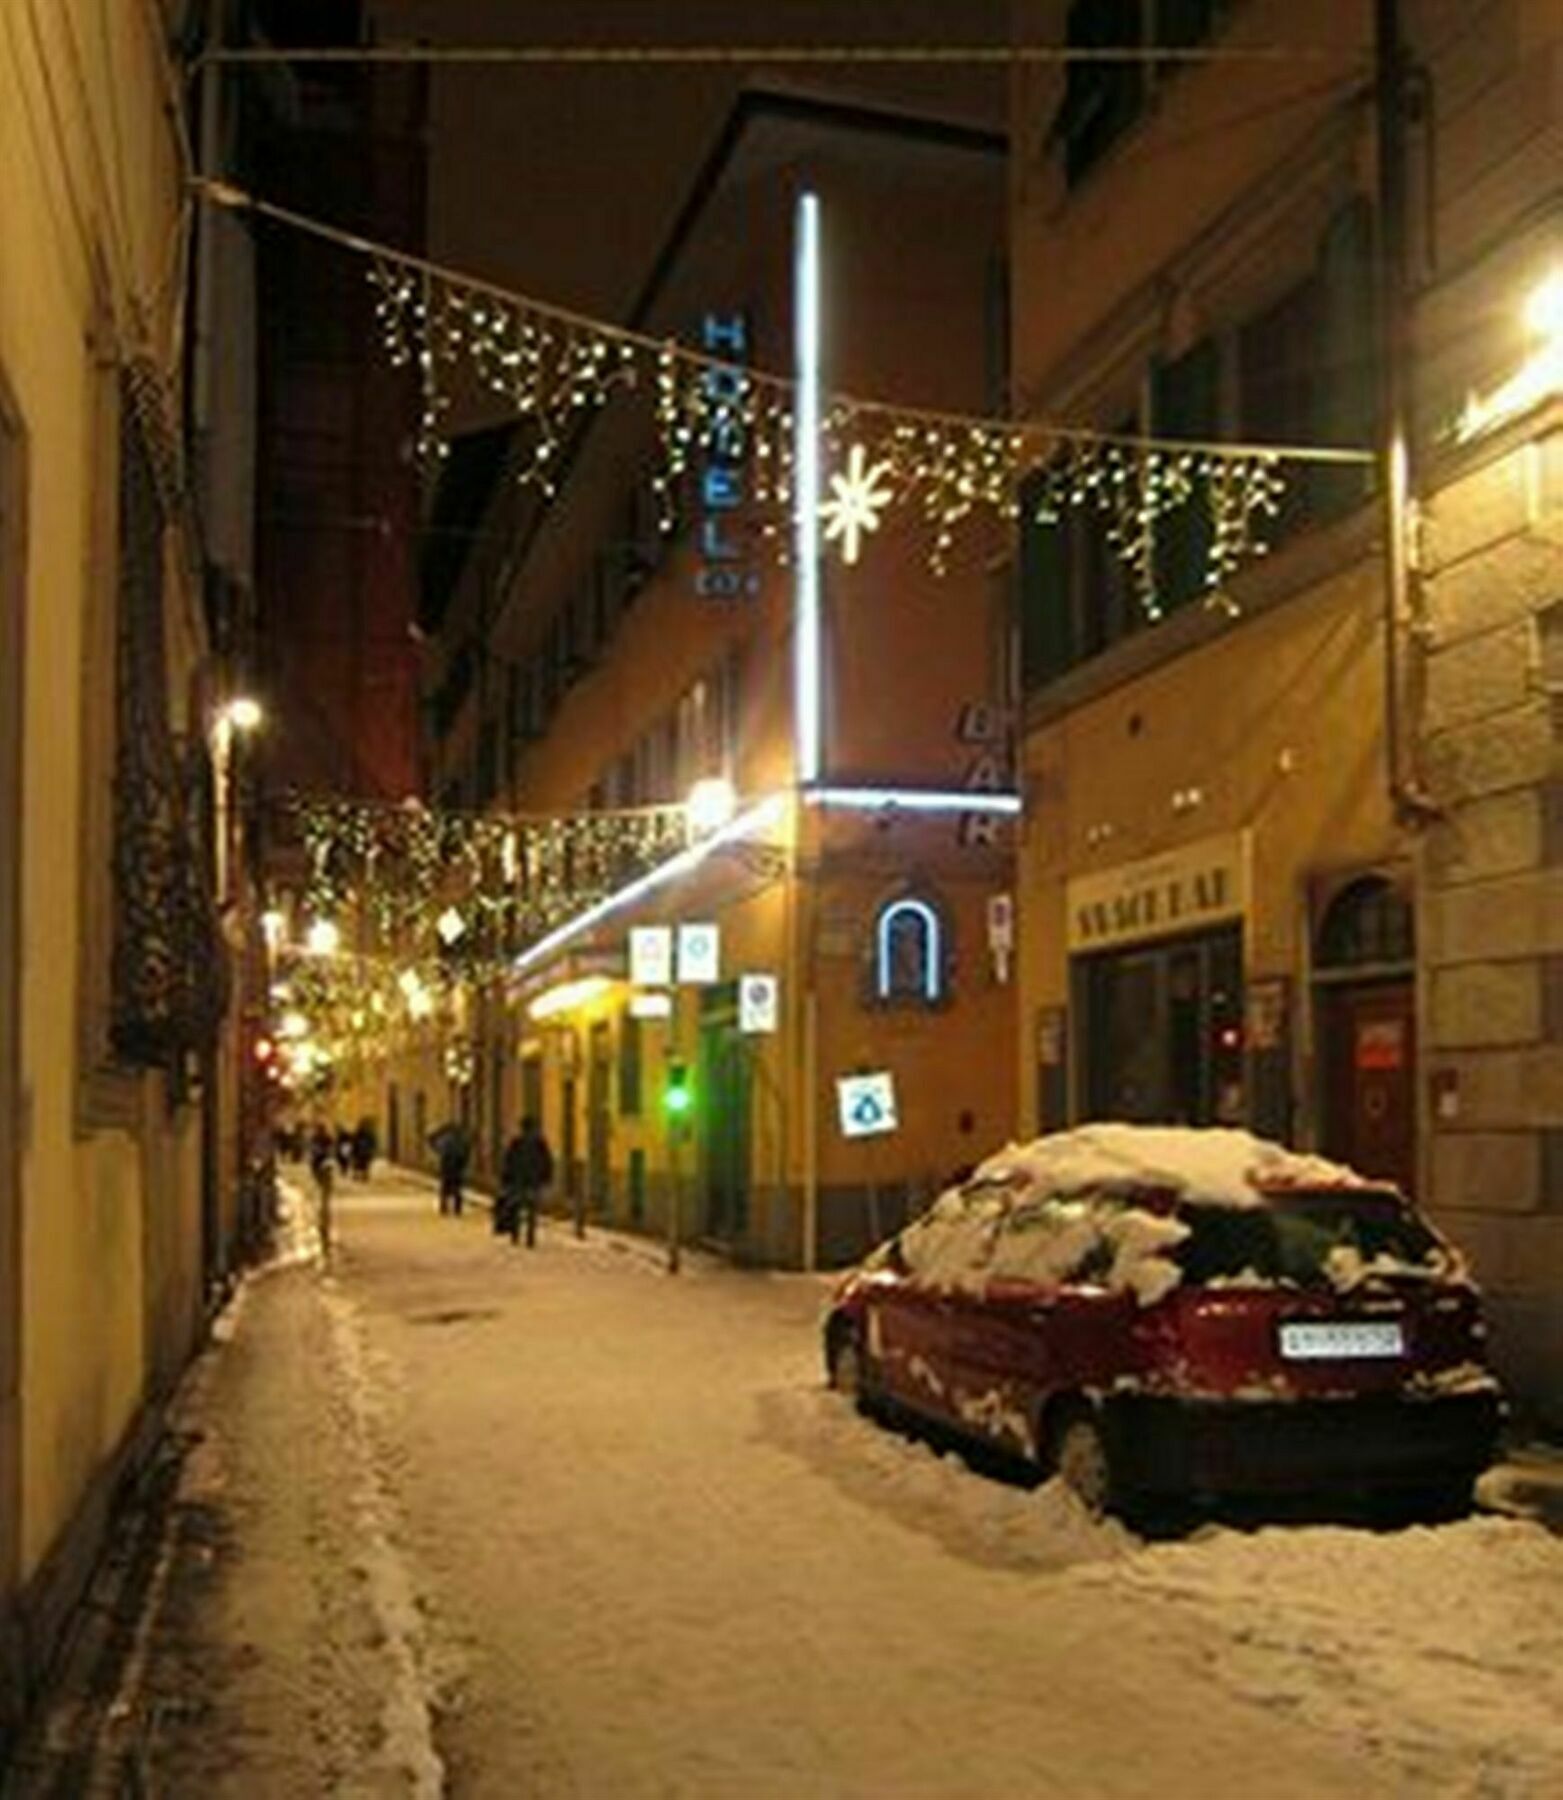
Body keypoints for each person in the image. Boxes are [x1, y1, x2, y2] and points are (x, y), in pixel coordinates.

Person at [499, 1116, 554, 1247]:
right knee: (532, 1207)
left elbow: (508, 1161)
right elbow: (547, 1161)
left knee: (516, 1207)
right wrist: (546, 1178)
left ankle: (515, 1234)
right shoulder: (540, 1143)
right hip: (534, 1180)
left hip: (518, 1180)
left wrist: (505, 1178)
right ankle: (530, 1236)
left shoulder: (516, 1142)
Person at [429, 1119, 471, 1216]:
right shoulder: (462, 1138)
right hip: (457, 1166)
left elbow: (435, 1145)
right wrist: (464, 1164)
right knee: (457, 1187)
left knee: (445, 1187)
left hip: (446, 1165)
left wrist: (436, 1150)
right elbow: (466, 1151)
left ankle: (444, 1207)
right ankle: (457, 1209)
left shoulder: (444, 1139)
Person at [351, 1116, 377, 1181]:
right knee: (361, 1163)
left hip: (364, 1149)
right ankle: (361, 1175)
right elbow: (355, 1140)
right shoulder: (365, 1131)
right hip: (362, 1149)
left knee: (362, 1163)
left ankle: (361, 1175)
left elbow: (372, 1141)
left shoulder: (368, 1131)